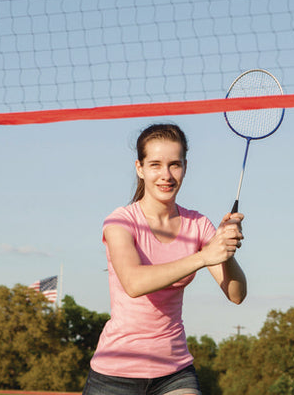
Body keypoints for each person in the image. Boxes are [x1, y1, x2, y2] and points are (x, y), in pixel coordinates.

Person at [83, 123, 247, 395]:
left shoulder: (198, 224)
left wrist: (225, 250)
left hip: (174, 373)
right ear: (140, 168)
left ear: (185, 166)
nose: (166, 175)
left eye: (175, 164)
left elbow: (237, 294)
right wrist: (203, 257)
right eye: (156, 165)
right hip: (115, 375)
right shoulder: (120, 221)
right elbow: (134, 283)